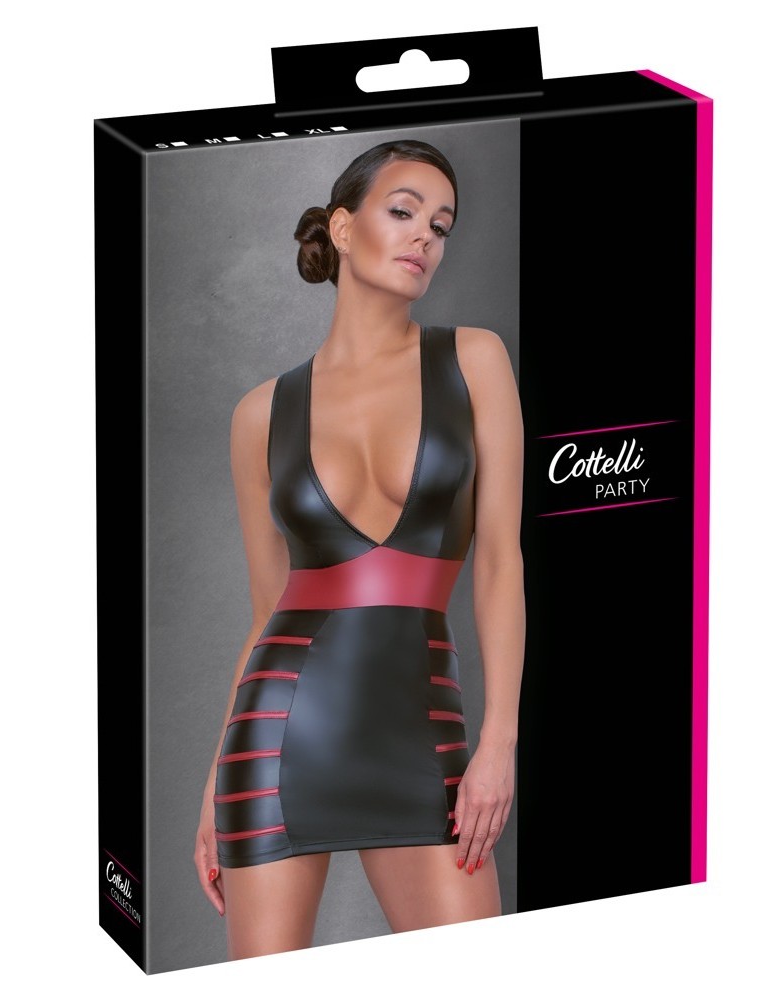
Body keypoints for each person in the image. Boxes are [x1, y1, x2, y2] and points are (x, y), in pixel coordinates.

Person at [193, 139, 525, 960]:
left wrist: (498, 743)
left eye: (441, 226)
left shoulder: (474, 360)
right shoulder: (260, 414)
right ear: (342, 229)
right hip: (275, 742)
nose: (424, 238)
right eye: (403, 211)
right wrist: (214, 785)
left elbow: (499, 563)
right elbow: (267, 611)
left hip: (422, 737)